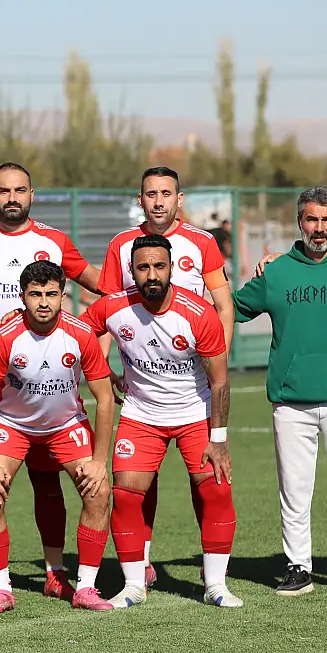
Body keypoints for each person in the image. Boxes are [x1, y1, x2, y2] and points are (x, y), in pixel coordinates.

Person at [0, 161, 104, 602]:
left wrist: (147, 292)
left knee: (49, 484)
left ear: (32, 195)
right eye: (4, 191)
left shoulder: (54, 241)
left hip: (51, 388)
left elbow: (99, 283)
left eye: (20, 190)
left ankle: (56, 572)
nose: (12, 198)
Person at [232, 187, 327, 596]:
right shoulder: (275, 272)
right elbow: (231, 309)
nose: (319, 228)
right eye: (312, 220)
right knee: (294, 491)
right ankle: (298, 566)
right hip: (290, 402)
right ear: (300, 222)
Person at [83, 234, 240, 609]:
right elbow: (77, 330)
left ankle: (216, 584)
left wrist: (217, 438)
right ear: (130, 271)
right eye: (143, 267)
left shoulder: (200, 313)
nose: (151, 274)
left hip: (193, 413)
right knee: (124, 496)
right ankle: (134, 585)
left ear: (171, 268)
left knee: (216, 488)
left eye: (159, 266)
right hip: (141, 415)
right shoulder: (113, 306)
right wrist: (101, 369)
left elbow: (219, 380)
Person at [0, 261, 116, 614]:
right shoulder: (5, 336)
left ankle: (85, 587)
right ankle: (1, 589)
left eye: (51, 294)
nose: (44, 302)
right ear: (22, 297)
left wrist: (99, 462)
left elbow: (106, 397)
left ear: (63, 296)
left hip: (66, 425)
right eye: (35, 294)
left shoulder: (80, 334)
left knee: (100, 491)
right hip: (13, 424)